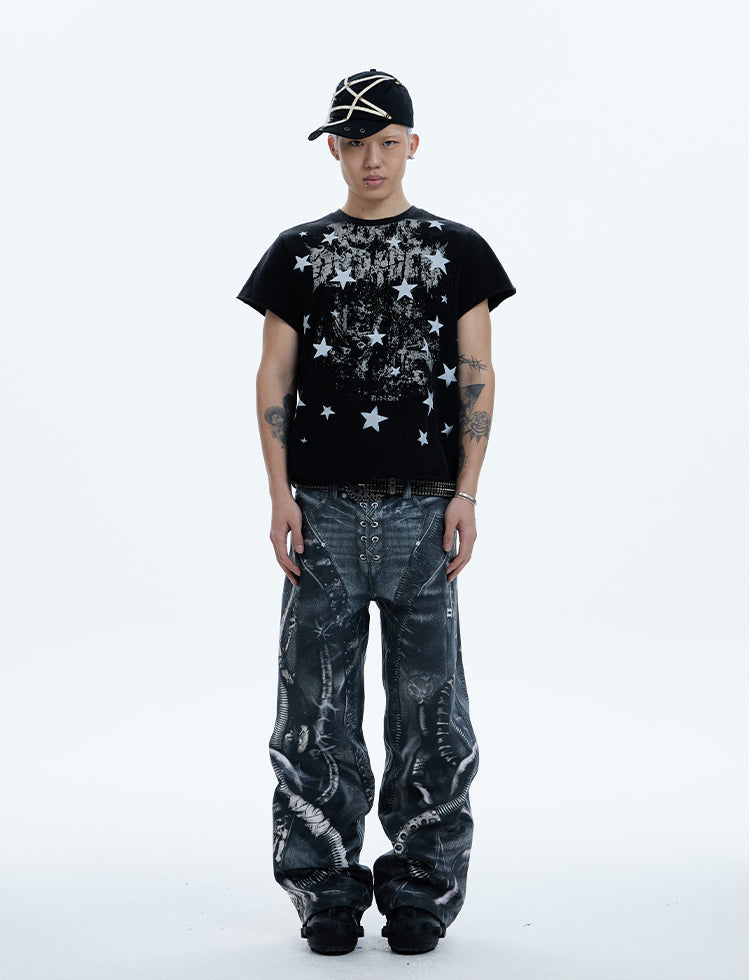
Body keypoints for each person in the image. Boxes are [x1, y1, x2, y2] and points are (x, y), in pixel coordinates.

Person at [236, 68, 517, 956]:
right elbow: (274, 375)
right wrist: (278, 493)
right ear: (334, 148)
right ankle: (324, 886)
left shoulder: (458, 250)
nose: (371, 159)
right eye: (354, 143)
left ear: (412, 145)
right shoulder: (296, 252)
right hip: (320, 509)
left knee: (432, 710)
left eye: (387, 142)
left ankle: (422, 887)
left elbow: (478, 373)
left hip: (422, 512)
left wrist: (467, 490)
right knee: (313, 709)